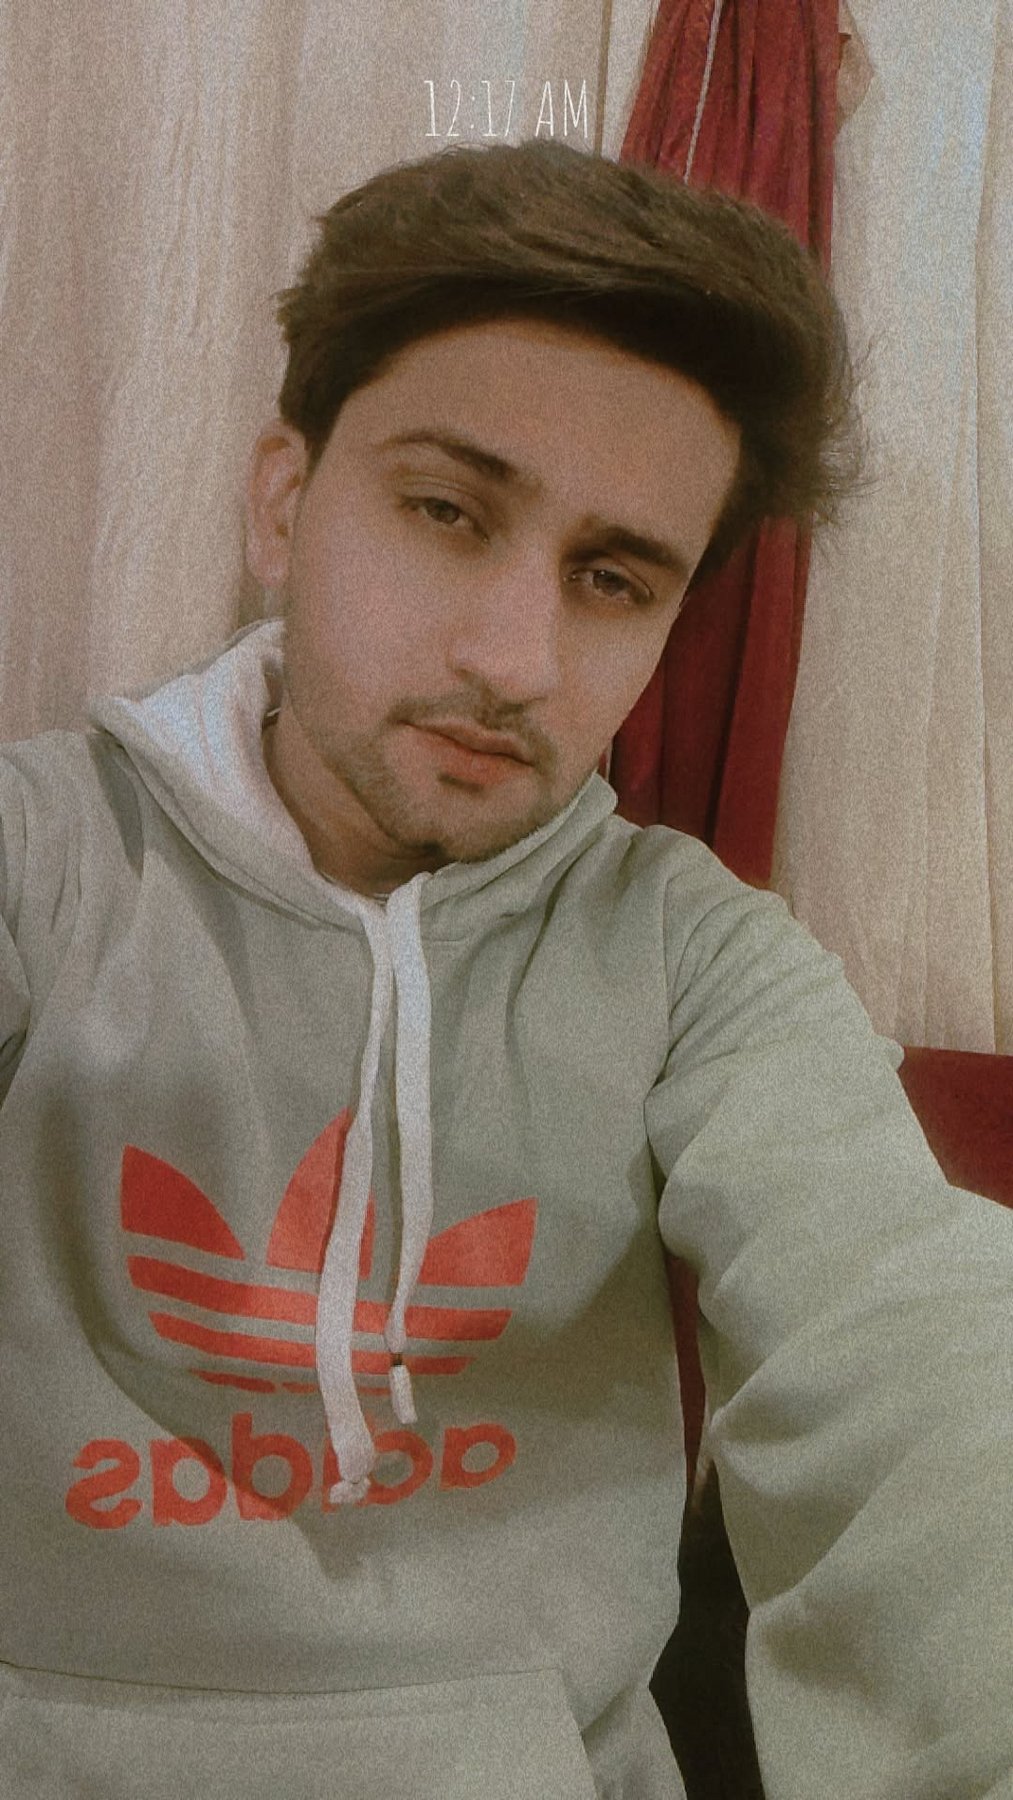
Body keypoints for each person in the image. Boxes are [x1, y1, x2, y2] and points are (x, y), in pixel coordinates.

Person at [0, 136, 1010, 1800]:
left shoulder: (694, 960)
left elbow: (905, 1336)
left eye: (611, 577)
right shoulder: (42, 863)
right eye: (445, 510)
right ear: (282, 502)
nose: (513, 658)